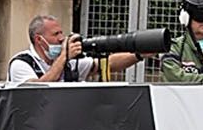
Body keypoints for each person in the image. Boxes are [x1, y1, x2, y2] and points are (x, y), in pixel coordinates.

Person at [8, 14, 141, 85]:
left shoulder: (69, 61)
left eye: (61, 33)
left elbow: (107, 64)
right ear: (38, 39)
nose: (62, 38)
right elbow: (38, 89)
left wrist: (139, 55)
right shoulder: (21, 63)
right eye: (56, 34)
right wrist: (64, 57)